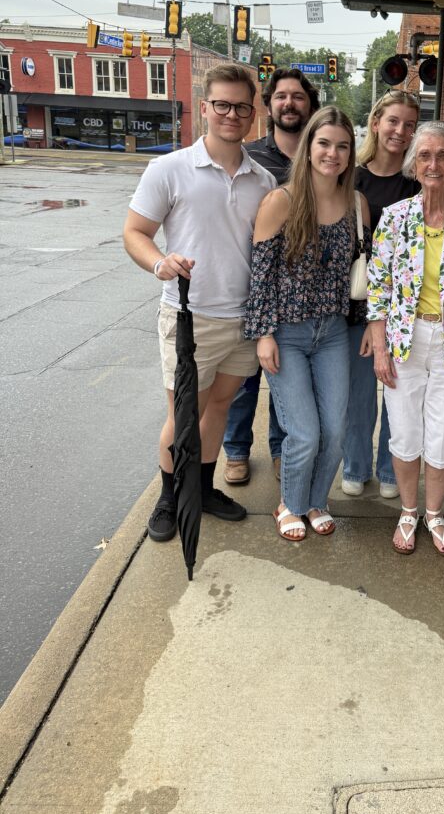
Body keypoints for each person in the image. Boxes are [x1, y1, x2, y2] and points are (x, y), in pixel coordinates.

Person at [123, 63, 276, 542]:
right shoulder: (168, 169)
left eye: (242, 107)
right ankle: (170, 499)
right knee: (184, 414)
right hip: (191, 316)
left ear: (255, 115)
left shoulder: (263, 181)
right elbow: (135, 232)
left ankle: (202, 490)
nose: (232, 114)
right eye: (222, 105)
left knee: (220, 409)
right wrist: (159, 263)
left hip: (242, 320)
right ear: (205, 108)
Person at [244, 106, 369, 542]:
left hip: (333, 332)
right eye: (323, 143)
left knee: (334, 430)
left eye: (341, 146)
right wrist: (263, 335)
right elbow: (259, 278)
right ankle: (290, 504)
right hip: (288, 333)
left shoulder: (357, 203)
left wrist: (369, 325)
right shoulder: (281, 201)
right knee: (304, 431)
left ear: (351, 152)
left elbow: (364, 274)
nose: (332, 153)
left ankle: (317, 500)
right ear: (308, 146)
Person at [368, 122, 444, 557]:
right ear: (414, 164)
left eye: (443, 155)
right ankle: (407, 511)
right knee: (403, 432)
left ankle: (434, 514)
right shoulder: (395, 218)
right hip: (405, 340)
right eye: (425, 156)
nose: (434, 164)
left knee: (443, 436)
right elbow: (378, 286)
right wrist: (380, 347)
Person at [222, 68, 320, 487]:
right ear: (269, 105)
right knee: (245, 379)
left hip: (299, 296)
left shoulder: (321, 158)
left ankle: (281, 449)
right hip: (255, 286)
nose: (289, 103)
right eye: (281, 96)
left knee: (286, 381)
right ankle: (237, 450)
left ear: (309, 106)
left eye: (298, 97)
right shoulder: (251, 159)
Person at [341, 89, 421, 501]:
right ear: (375, 123)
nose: (400, 131)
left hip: (406, 307)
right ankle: (355, 465)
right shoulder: (349, 176)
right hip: (357, 302)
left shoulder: (417, 182)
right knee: (358, 392)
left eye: (410, 125)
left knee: (399, 394)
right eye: (393, 121)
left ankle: (391, 470)